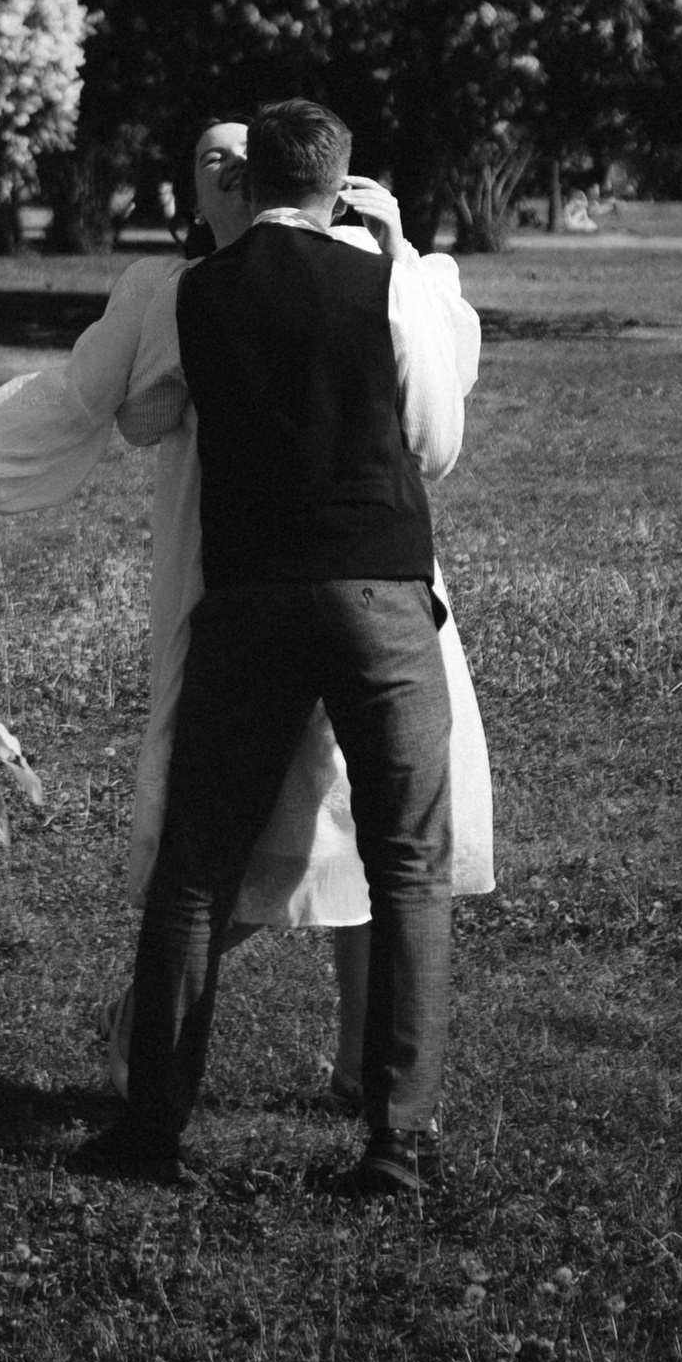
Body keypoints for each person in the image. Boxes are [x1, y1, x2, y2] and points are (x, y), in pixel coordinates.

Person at [0, 112, 489, 1116]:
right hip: (270, 571)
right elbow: (101, 405)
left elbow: (415, 414)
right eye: (204, 157)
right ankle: (211, 1065)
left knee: (341, 831)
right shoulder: (181, 293)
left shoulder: (343, 279)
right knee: (277, 837)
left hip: (305, 578)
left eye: (241, 154)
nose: (224, 168)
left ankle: (344, 1070)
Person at [78, 96, 469, 1201]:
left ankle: (151, 1130)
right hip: (378, 593)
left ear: (248, 185)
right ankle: (394, 1141)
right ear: (340, 183)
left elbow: (148, 412)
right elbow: (434, 444)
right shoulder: (385, 279)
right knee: (407, 866)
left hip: (249, 592)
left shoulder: (196, 291)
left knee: (195, 871)